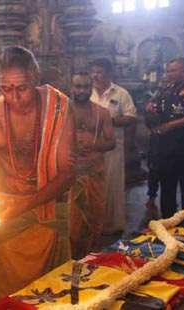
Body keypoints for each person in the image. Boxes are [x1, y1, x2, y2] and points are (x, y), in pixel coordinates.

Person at [0, 46, 75, 298]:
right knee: (12, 296)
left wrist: (25, 205)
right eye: (6, 89)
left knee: (54, 295)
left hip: (49, 212)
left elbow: (67, 173)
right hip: (9, 217)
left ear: (36, 80)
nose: (14, 98)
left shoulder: (60, 107)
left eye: (22, 89)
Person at [145, 58, 184, 218]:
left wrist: (173, 125)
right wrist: (151, 108)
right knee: (167, 188)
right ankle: (168, 221)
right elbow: (155, 108)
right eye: (169, 71)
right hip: (166, 147)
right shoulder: (165, 90)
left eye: (174, 70)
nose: (170, 74)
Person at [68, 72, 115, 259]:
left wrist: (93, 145)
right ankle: (71, 259)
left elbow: (111, 142)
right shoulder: (63, 110)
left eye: (86, 87)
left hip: (94, 173)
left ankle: (91, 257)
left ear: (91, 88)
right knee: (72, 223)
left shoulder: (101, 112)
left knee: (94, 219)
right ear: (71, 87)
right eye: (78, 86)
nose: (82, 91)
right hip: (69, 176)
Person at [90, 58, 137, 234]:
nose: (95, 75)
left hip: (112, 147)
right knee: (92, 185)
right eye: (93, 72)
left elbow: (132, 117)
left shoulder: (120, 94)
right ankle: (93, 224)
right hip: (90, 148)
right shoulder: (86, 92)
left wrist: (110, 121)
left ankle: (112, 224)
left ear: (109, 73)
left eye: (99, 72)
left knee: (111, 184)